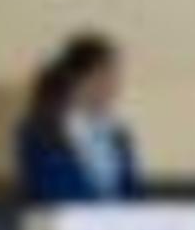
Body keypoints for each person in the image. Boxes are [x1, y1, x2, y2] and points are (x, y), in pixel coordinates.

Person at [15, 31, 143, 204]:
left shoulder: (118, 135)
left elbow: (132, 195)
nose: (113, 87)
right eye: (105, 76)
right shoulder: (42, 131)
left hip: (118, 227)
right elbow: (52, 192)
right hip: (63, 226)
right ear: (79, 80)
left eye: (115, 77)